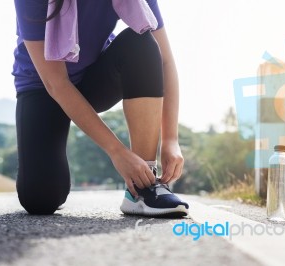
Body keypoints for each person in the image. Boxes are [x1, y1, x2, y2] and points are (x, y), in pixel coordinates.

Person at [12, 0, 189, 216]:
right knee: (41, 199)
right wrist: (117, 152)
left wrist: (171, 140)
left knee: (142, 42)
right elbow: (56, 83)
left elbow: (165, 61)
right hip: (42, 88)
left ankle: (142, 189)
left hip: (92, 78)